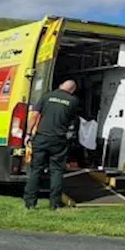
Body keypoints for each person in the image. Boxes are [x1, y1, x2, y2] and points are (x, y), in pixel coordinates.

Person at [24, 79, 80, 210]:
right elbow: (72, 120)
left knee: (35, 170)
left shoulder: (46, 96)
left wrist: (28, 133)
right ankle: (54, 204)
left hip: (42, 138)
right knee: (56, 171)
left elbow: (34, 116)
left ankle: (30, 203)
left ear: (60, 85)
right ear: (72, 90)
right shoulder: (73, 101)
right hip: (59, 140)